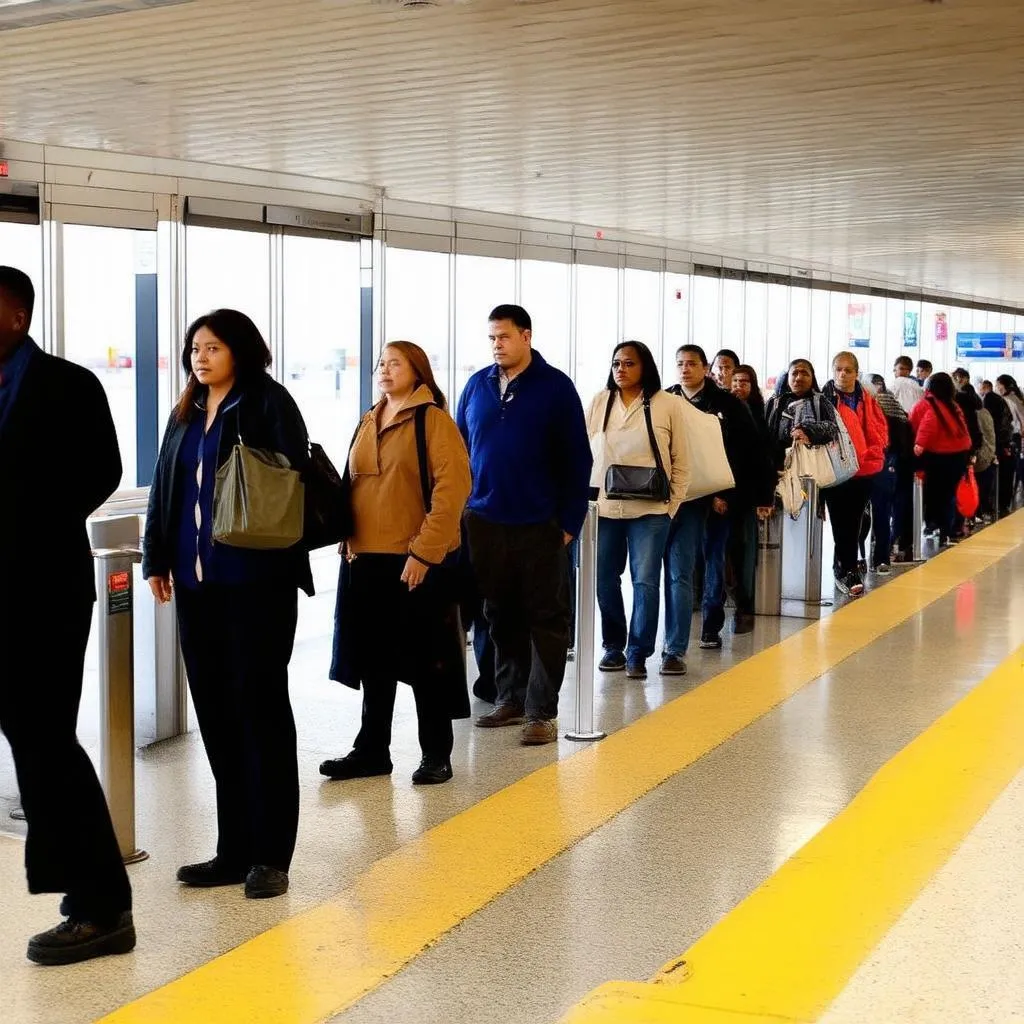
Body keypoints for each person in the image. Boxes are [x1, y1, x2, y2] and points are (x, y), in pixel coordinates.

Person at [144, 309, 312, 900]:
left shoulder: (267, 402)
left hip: (256, 584)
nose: (200, 357)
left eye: (212, 347)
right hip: (197, 588)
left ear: (240, 351)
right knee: (216, 715)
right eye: (195, 348)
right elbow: (164, 484)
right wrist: (155, 557)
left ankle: (272, 854)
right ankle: (233, 848)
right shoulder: (185, 412)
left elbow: (291, 480)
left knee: (261, 713)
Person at [0, 266, 135, 966]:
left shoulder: (66, 384)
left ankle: (103, 904)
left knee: (47, 739)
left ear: (17, 315)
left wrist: (27, 518)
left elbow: (102, 470)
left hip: (45, 591)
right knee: (31, 742)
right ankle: (82, 893)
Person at [322, 342, 472, 785]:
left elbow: (452, 491)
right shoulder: (371, 415)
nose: (385, 370)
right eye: (380, 364)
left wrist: (424, 552)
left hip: (415, 559)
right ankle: (371, 751)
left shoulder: (432, 420)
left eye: (395, 363)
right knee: (373, 661)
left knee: (428, 661)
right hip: (364, 557)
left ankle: (436, 754)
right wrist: (347, 538)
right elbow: (355, 485)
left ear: (417, 371)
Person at [458, 304, 592, 745]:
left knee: (546, 618)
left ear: (526, 336)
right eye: (492, 338)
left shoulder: (555, 388)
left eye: (504, 337)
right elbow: (460, 450)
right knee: (499, 615)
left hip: (540, 522)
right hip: (485, 520)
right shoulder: (477, 385)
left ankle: (541, 712)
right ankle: (510, 698)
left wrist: (569, 521)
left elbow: (578, 459)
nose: (497, 345)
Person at [586, 342, 689, 680]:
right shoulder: (601, 401)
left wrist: (670, 507)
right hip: (604, 509)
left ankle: (638, 652)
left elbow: (682, 461)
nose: (621, 369)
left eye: (629, 363)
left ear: (645, 366)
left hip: (650, 511)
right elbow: (584, 455)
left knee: (645, 582)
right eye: (616, 363)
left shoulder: (667, 404)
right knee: (604, 579)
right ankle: (613, 645)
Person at [665, 345, 767, 652]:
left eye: (692, 364)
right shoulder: (666, 400)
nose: (685, 369)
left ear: (705, 367)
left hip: (718, 496)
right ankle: (675, 632)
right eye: (680, 363)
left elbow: (747, 452)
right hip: (679, 496)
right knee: (680, 564)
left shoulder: (728, 404)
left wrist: (728, 494)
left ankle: (711, 624)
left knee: (714, 559)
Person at [822, 352, 887, 595]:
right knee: (842, 522)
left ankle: (845, 565)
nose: (843, 374)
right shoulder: (825, 398)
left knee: (856, 521)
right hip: (836, 470)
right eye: (838, 368)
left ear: (856, 372)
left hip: (864, 469)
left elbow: (879, 429)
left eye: (848, 370)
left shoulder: (867, 399)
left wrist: (873, 451)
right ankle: (846, 569)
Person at [909, 372, 972, 546]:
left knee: (933, 494)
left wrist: (918, 446)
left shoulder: (924, 405)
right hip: (958, 455)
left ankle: (933, 526)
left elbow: (916, 426)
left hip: (935, 457)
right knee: (950, 493)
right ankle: (950, 529)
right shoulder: (954, 405)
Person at [863, 375, 912, 573]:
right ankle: (882, 557)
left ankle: (858, 558)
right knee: (885, 513)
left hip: (871, 465)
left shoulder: (871, 407)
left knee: (864, 516)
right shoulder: (898, 411)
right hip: (891, 467)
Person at [960, 383, 996, 523]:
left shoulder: (968, 413)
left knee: (972, 488)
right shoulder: (984, 411)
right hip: (987, 454)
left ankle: (972, 515)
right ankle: (980, 513)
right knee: (982, 488)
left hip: (974, 455)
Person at [982, 383, 1014, 516]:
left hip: (995, 447)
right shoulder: (1004, 412)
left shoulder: (988, 415)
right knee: (1004, 477)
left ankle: (991, 505)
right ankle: (1001, 504)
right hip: (1005, 446)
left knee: (993, 479)